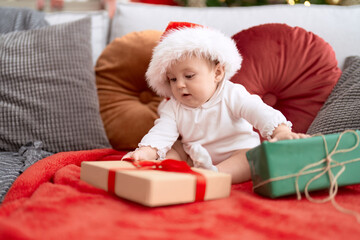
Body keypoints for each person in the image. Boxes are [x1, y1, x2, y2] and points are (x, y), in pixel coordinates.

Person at [123, 21, 309, 183]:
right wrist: (147, 150)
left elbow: (257, 110)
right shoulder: (174, 106)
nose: (179, 85)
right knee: (175, 149)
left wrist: (280, 130)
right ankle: (171, 171)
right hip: (193, 156)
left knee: (252, 158)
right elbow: (162, 132)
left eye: (189, 76)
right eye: (172, 79)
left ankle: (216, 173)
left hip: (235, 153)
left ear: (218, 73)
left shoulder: (232, 94)